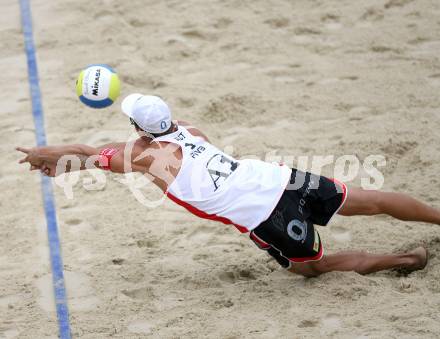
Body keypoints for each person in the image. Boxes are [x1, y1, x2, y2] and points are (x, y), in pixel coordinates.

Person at [17, 94, 439, 277]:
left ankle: (404, 260)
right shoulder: (191, 130)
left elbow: (87, 151)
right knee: (371, 199)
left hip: (264, 214)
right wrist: (65, 165)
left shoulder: (145, 156)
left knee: (311, 269)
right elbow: (89, 155)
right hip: (279, 178)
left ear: (136, 128)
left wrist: (42, 154)